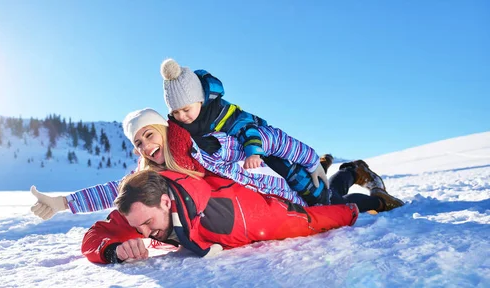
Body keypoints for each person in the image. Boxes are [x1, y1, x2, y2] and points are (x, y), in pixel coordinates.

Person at [31, 109, 404, 222]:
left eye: (149, 134)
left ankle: (363, 183)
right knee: (327, 203)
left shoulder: (205, 145)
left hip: (283, 191)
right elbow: (116, 191)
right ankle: (345, 171)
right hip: (265, 210)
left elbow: (263, 138)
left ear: (162, 129)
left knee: (331, 205)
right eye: (139, 142)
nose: (146, 144)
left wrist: (307, 160)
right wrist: (63, 203)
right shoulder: (155, 173)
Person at [81, 169, 359, 264]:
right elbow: (94, 237)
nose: (141, 234)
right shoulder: (142, 205)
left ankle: (352, 176)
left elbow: (304, 221)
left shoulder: (232, 219)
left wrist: (349, 214)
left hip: (283, 200)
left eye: (147, 224)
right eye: (136, 227)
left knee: (331, 199)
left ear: (166, 202)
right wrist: (112, 251)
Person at [161, 58, 326, 205]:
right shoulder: (182, 127)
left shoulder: (222, 112)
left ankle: (333, 186)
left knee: (303, 182)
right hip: (242, 171)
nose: (181, 116)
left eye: (185, 109)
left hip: (265, 152)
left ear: (200, 100)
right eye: (175, 112)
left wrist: (253, 152)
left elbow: (246, 127)